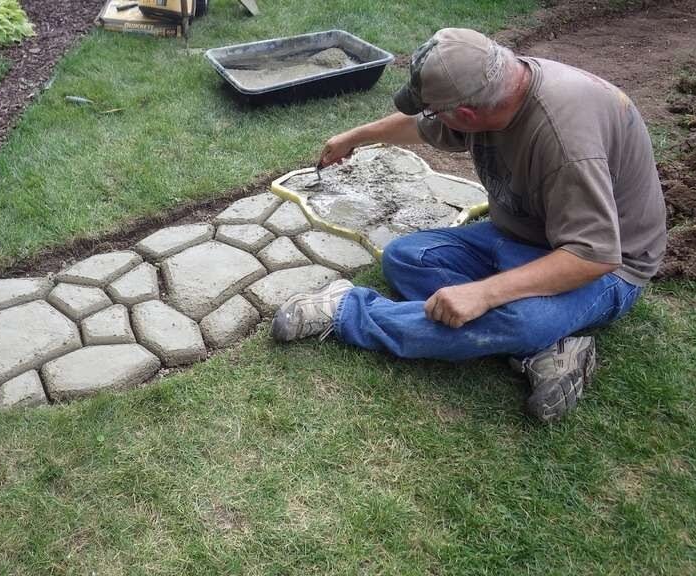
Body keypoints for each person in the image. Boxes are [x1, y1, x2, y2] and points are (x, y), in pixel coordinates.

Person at [270, 28, 667, 422]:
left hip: (607, 268)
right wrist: (355, 136)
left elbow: (592, 255)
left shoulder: (565, 143)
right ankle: (550, 351)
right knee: (405, 257)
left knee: (523, 321)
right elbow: (419, 126)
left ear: (466, 115)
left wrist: (485, 294)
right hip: (522, 235)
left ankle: (346, 312)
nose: (430, 119)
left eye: (434, 110)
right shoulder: (495, 88)